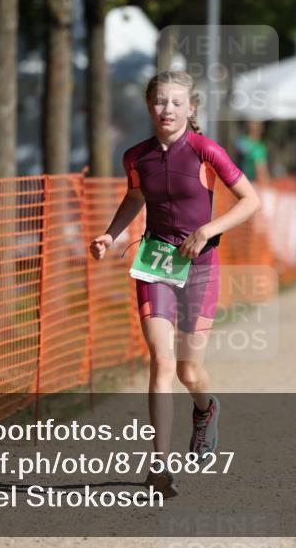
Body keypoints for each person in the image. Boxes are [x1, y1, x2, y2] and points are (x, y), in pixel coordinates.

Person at [88, 71, 261, 497]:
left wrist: (207, 230)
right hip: (156, 264)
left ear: (191, 108)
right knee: (162, 362)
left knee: (188, 370)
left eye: (176, 102)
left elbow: (251, 200)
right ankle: (160, 466)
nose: (168, 109)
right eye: (160, 101)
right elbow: (135, 197)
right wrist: (111, 235)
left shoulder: (206, 151)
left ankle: (206, 409)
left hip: (200, 268)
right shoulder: (135, 157)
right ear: (150, 106)